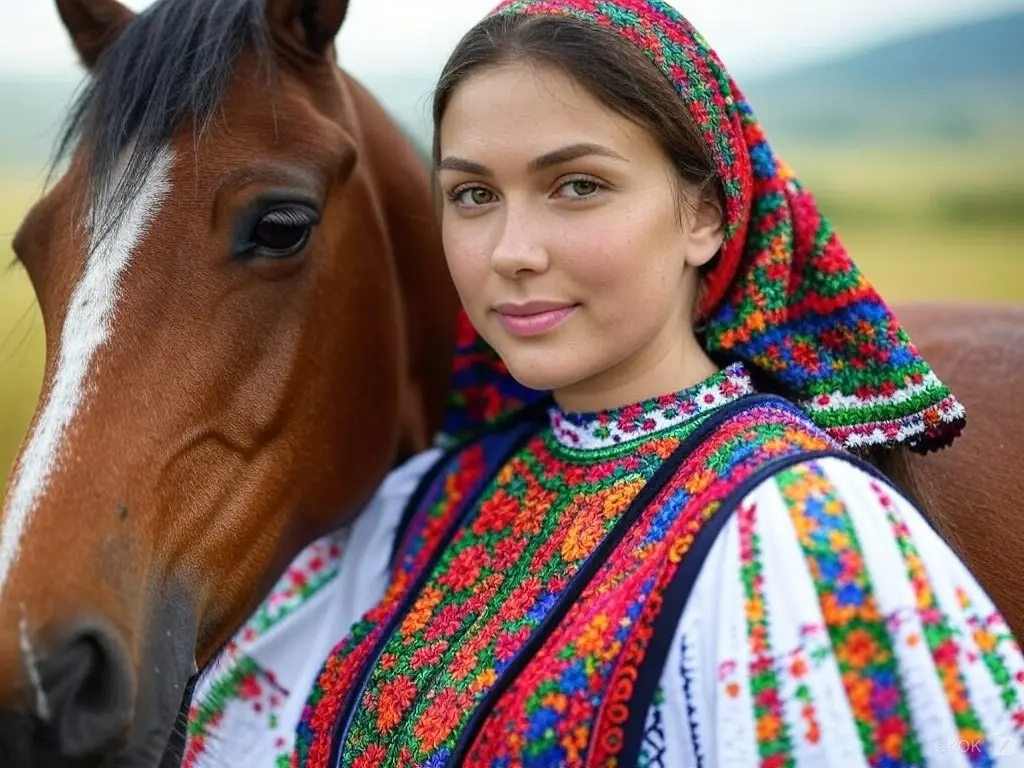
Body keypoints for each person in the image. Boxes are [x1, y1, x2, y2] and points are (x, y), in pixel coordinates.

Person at [184, 1, 1024, 766]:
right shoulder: (417, 509)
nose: (510, 251)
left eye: (577, 186)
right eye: (473, 194)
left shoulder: (800, 535)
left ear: (704, 214)